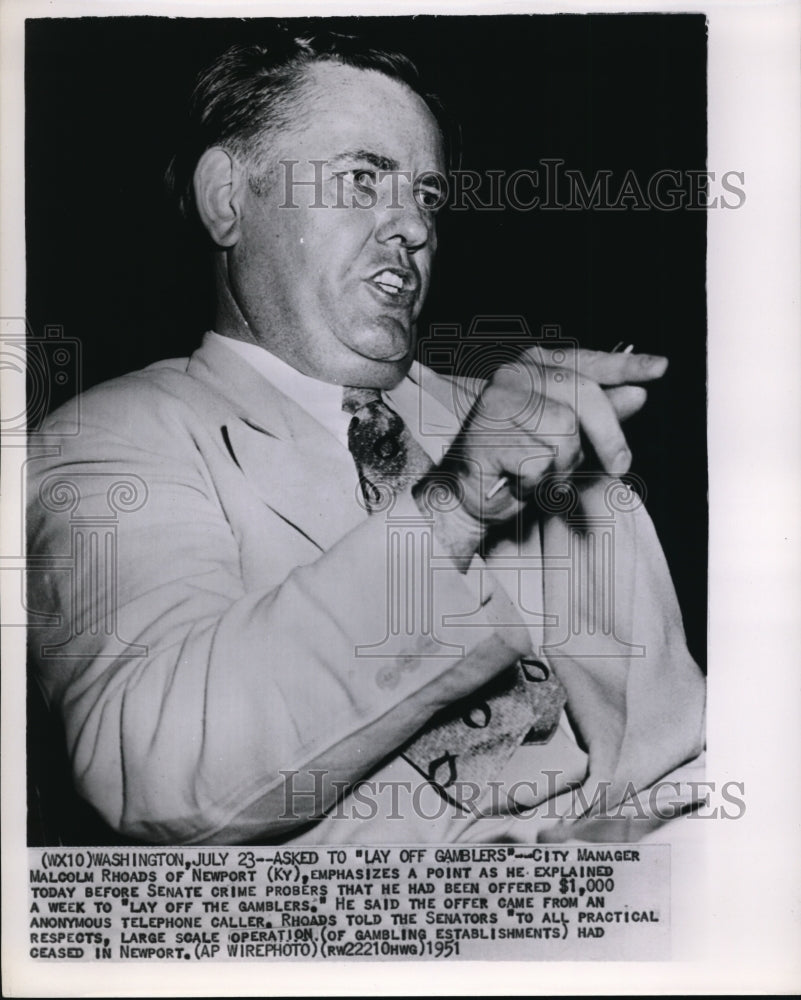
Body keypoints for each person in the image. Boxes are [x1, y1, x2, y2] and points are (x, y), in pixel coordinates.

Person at [26, 31, 704, 846]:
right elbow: (151, 775)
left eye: (426, 195)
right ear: (226, 198)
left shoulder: (537, 425)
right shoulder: (105, 441)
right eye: (360, 178)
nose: (412, 226)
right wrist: (454, 505)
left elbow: (674, 754)